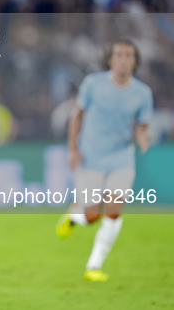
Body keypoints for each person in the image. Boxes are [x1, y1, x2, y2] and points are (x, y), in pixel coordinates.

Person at [56, 40, 153, 282]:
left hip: (122, 158)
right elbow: (76, 115)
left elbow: (142, 124)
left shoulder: (142, 93)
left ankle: (94, 266)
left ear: (134, 61)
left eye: (128, 55)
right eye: (118, 55)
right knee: (92, 216)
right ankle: (75, 215)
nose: (123, 59)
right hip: (91, 156)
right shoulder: (93, 84)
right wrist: (72, 149)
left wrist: (143, 137)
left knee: (113, 210)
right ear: (111, 60)